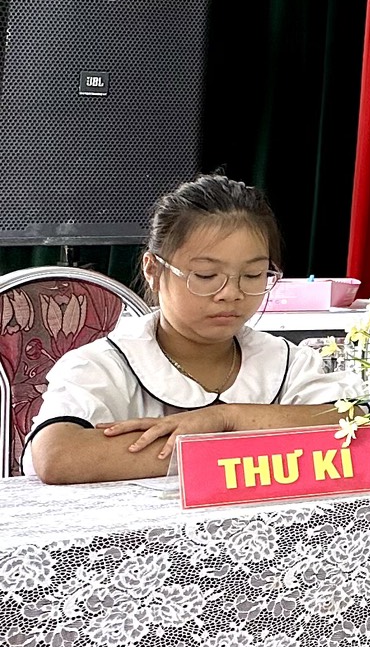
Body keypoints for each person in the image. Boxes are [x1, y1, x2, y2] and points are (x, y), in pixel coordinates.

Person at [26, 175, 347, 484]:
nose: (231, 293)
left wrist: (226, 420)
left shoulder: (287, 362)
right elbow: (57, 455)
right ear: (153, 270)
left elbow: (353, 424)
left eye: (253, 275)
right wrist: (248, 443)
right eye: (206, 275)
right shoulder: (103, 365)